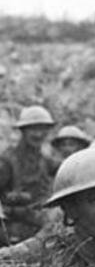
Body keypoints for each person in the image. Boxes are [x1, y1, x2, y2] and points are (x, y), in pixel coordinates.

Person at [0, 105, 56, 245]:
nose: (38, 134)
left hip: (38, 228)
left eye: (43, 129)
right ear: (23, 131)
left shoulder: (44, 160)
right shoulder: (8, 160)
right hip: (11, 229)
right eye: (33, 129)